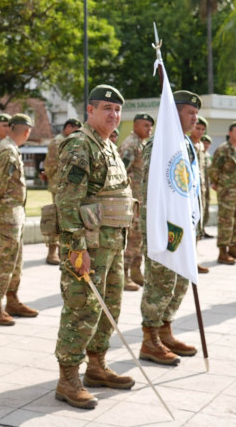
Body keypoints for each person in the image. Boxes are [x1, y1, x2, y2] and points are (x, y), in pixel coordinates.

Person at [53, 85, 135, 410]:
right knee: (82, 308)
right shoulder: (80, 144)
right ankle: (68, 378)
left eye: (117, 110)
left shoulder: (108, 145)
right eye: (106, 108)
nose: (113, 114)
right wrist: (77, 248)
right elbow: (68, 199)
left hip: (112, 244)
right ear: (90, 111)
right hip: (89, 246)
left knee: (109, 306)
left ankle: (97, 366)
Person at [138, 90, 201, 367]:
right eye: (190, 112)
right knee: (161, 282)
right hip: (164, 225)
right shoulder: (160, 144)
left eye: (196, 113)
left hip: (183, 225)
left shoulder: (185, 142)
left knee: (180, 279)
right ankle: (149, 339)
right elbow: (154, 189)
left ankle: (165, 331)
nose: (195, 118)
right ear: (174, 113)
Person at [0, 114, 38, 326]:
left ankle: (12, 300)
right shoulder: (7, 150)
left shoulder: (10, 148)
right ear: (27, 132)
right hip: (5, 216)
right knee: (3, 261)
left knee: (15, 260)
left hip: (13, 215)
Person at [118, 112, 154, 290]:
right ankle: (123, 275)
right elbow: (121, 172)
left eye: (151, 126)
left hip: (142, 200)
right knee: (132, 238)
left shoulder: (143, 144)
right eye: (146, 125)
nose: (149, 129)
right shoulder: (130, 145)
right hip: (131, 202)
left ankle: (136, 270)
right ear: (135, 126)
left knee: (140, 237)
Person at [41, 118, 82, 265]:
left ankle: (62, 250)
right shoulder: (58, 142)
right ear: (68, 127)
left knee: (66, 218)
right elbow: (50, 164)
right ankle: (52, 251)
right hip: (59, 185)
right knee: (56, 217)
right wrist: (52, 178)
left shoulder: (72, 141)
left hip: (69, 186)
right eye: (76, 129)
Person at [209, 121, 236, 264]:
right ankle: (222, 252)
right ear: (230, 133)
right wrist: (222, 184)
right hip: (227, 193)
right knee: (226, 222)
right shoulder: (223, 149)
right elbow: (213, 170)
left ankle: (233, 248)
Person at [189, 117, 210, 273]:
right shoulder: (186, 143)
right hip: (189, 193)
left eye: (203, 129)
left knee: (197, 228)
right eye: (198, 128)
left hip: (200, 193)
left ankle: (193, 261)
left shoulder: (201, 146)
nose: (200, 132)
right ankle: (187, 263)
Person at [200, 129, 214, 238]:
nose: (205, 145)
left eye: (207, 143)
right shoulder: (197, 153)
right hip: (199, 186)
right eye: (204, 142)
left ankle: (203, 229)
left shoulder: (208, 156)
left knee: (206, 207)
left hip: (206, 185)